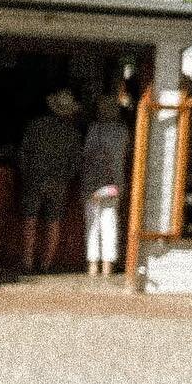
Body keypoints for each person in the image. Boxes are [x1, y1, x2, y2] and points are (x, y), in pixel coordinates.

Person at [19, 90, 83, 273]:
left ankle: (28, 261)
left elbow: (24, 152)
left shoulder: (36, 126)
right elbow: (76, 161)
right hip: (59, 182)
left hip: (35, 178)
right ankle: (46, 264)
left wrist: (27, 173)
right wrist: (66, 178)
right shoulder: (72, 133)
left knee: (30, 220)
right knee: (54, 222)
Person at [80, 95, 130, 277]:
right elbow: (125, 154)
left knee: (92, 225)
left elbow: (86, 154)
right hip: (114, 182)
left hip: (92, 183)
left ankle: (93, 264)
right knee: (110, 223)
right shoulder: (123, 130)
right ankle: (108, 265)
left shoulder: (94, 129)